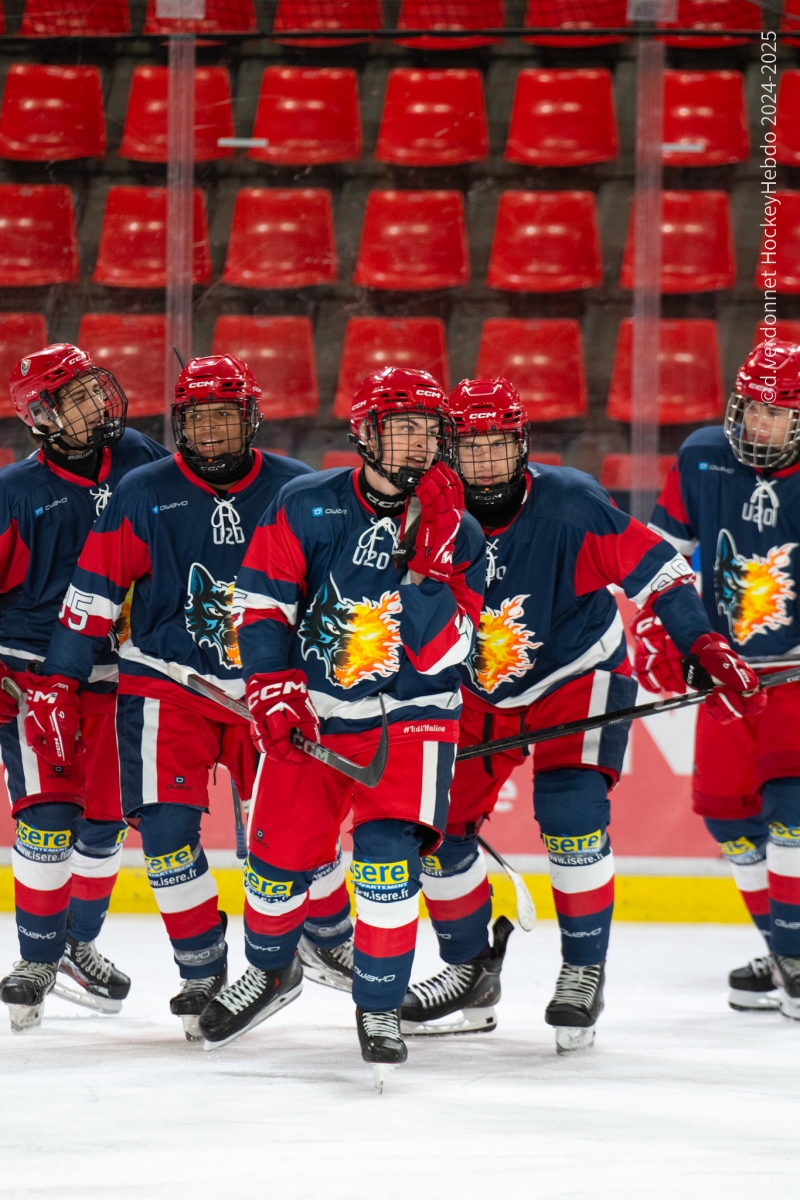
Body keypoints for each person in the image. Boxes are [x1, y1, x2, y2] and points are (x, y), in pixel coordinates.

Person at [402, 377, 763, 1052]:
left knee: (571, 812)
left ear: (523, 443)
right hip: (475, 687)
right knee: (434, 827)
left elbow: (660, 571)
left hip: (578, 674)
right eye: (471, 447)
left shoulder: (572, 502)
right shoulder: (422, 512)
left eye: (499, 444)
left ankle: (581, 969)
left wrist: (702, 641)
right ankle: (469, 969)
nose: (484, 463)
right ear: (448, 449)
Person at [197, 366, 486, 1087]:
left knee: (387, 866)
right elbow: (261, 605)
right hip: (315, 719)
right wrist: (271, 685)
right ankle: (270, 974)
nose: (419, 444)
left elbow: (439, 649)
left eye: (429, 429)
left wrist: (430, 559)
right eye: (403, 427)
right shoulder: (306, 504)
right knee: (274, 864)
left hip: (413, 721)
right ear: (365, 432)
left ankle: (379, 1006)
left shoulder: (460, 530)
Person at [33, 354, 325, 1041]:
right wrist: (58, 680)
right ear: (181, 424)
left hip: (267, 691)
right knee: (165, 838)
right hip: (168, 683)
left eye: (226, 413)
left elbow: (333, 598)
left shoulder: (298, 489)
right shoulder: (144, 490)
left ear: (250, 417)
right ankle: (202, 968)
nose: (214, 429)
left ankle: (316, 942)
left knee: (287, 840)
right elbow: (93, 593)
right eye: (199, 416)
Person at [0, 343, 169, 1031]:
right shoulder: (14, 491)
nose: (93, 406)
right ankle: (35, 957)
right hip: (35, 671)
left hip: (123, 671)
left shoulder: (143, 456)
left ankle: (76, 945)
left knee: (104, 823)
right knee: (47, 818)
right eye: (71, 399)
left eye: (93, 390)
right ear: (41, 417)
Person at [643, 340, 800, 1020]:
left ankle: (794, 959)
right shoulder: (700, 456)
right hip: (727, 676)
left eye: (778, 413)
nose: (759, 426)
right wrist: (669, 636)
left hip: (794, 679)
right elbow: (664, 563)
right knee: (731, 822)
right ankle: (784, 950)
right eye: (752, 409)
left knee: (792, 817)